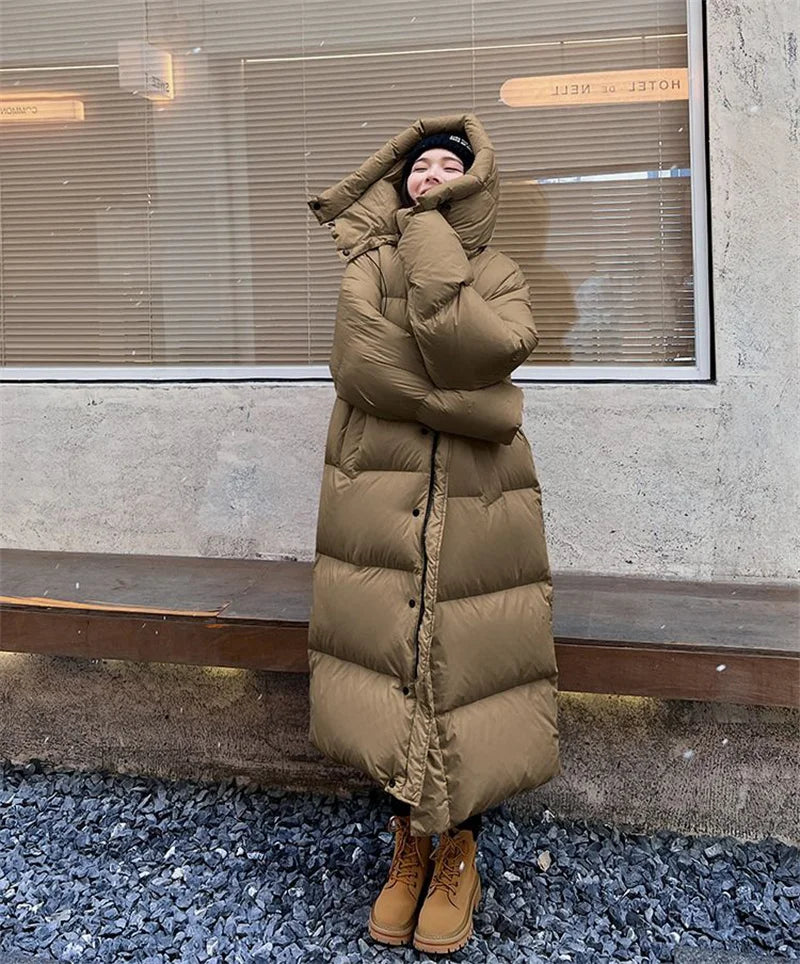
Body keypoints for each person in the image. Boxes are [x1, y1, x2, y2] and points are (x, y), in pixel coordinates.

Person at [306, 113, 561, 955]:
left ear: (474, 182)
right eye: (419, 169)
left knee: (466, 662)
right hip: (378, 487)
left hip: (483, 499)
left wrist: (428, 244)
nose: (430, 176)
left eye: (450, 165)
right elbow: (362, 365)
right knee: (391, 657)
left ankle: (459, 848)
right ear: (399, 178)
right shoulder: (365, 265)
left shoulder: (504, 271)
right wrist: (478, 407)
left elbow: (481, 348)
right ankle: (406, 845)